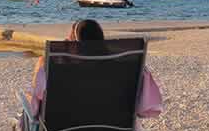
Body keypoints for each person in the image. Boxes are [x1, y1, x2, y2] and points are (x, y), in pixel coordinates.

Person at [29, 19, 162, 119]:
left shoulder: (52, 66)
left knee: (30, 102)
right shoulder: (125, 67)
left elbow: (37, 101)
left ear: (74, 42)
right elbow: (144, 105)